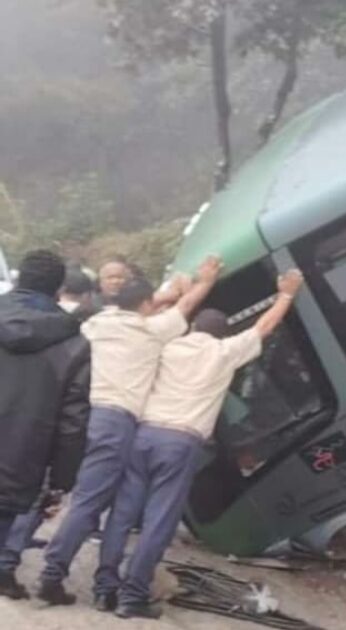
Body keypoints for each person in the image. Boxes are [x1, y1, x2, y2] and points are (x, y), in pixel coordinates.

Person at [96, 269, 305, 619]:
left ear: (193, 328)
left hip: (143, 435)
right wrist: (286, 294)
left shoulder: (166, 346)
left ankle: (104, 589)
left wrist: (181, 293)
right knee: (158, 521)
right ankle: (133, 596)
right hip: (179, 443)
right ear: (222, 333)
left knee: (122, 513)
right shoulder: (224, 352)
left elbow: (146, 319)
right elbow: (263, 328)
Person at [36, 255, 222, 607]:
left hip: (89, 416)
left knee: (77, 495)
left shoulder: (100, 323)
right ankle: (52, 574)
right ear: (148, 306)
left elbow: (160, 304)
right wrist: (205, 281)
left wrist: (169, 294)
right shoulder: (151, 331)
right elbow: (185, 306)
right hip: (117, 424)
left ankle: (77, 576)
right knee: (90, 503)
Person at [0, 251, 91, 599]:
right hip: (20, 459)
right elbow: (73, 421)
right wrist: (62, 479)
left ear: (20, 278)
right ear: (58, 290)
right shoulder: (74, 343)